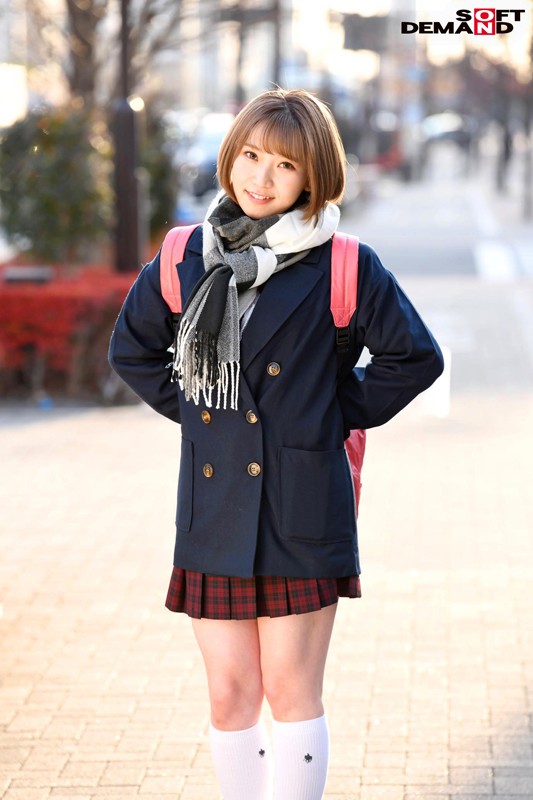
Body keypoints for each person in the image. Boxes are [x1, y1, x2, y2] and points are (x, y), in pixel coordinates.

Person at [109, 88, 444, 800]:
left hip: (301, 503)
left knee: (291, 691)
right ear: (231, 156)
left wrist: (325, 413)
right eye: (252, 155)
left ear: (312, 177)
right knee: (230, 694)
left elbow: (414, 358)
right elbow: (132, 350)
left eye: (285, 165)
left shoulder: (345, 263)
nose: (260, 178)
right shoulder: (185, 254)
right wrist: (206, 409)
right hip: (215, 504)